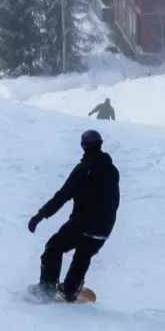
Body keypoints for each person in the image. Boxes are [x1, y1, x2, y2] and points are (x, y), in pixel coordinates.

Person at [27, 130, 120, 303]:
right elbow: (115, 200)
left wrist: (40, 215)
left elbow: (62, 195)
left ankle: (46, 289)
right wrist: (107, 224)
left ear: (83, 146)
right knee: (84, 255)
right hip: (104, 228)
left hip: (84, 223)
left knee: (54, 247)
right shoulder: (113, 171)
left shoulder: (84, 169)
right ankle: (70, 290)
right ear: (100, 144)